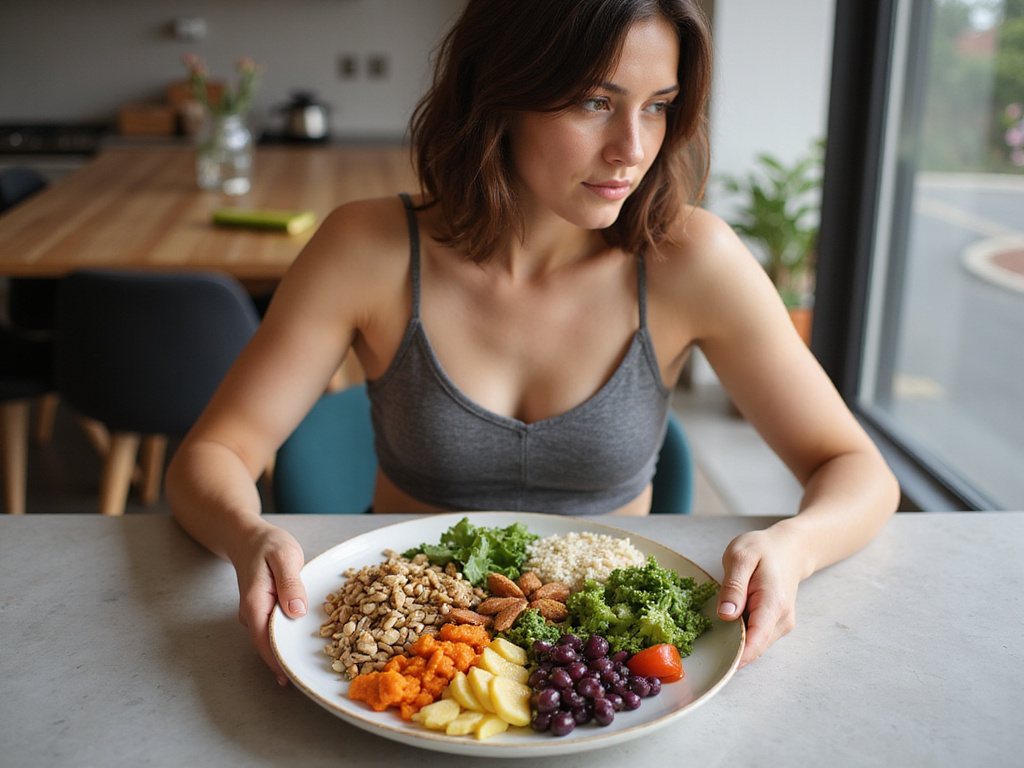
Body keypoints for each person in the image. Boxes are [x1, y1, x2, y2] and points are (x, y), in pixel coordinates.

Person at [166, 0, 900, 686]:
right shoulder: (368, 248)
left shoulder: (692, 259)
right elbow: (214, 455)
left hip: (605, 668)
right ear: (499, 93)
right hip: (400, 649)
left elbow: (857, 470)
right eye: (594, 102)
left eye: (659, 107)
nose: (633, 149)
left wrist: (793, 547)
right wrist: (248, 536)